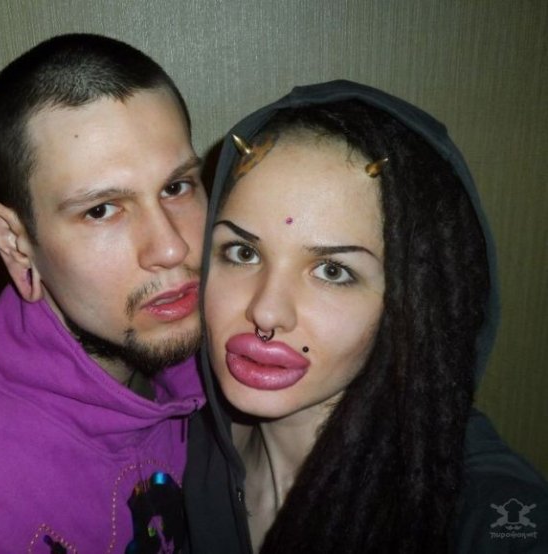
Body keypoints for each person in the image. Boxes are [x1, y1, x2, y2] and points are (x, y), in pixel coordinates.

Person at [184, 80, 548, 553]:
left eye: (333, 271)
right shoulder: (173, 443)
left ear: (410, 303)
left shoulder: (477, 506)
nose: (266, 312)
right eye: (242, 252)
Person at [0, 34, 207, 552]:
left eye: (176, 187)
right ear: (16, 243)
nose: (172, 248)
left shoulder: (225, 360)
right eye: (101, 210)